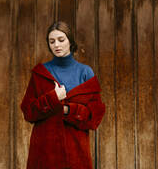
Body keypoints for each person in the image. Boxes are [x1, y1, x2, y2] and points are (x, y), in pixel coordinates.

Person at [21, 21, 105, 169]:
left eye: (61, 40)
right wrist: (53, 97)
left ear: (70, 41)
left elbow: (94, 117)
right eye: (52, 41)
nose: (56, 45)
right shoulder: (40, 73)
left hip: (76, 151)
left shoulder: (85, 72)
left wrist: (67, 110)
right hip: (45, 151)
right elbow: (28, 112)